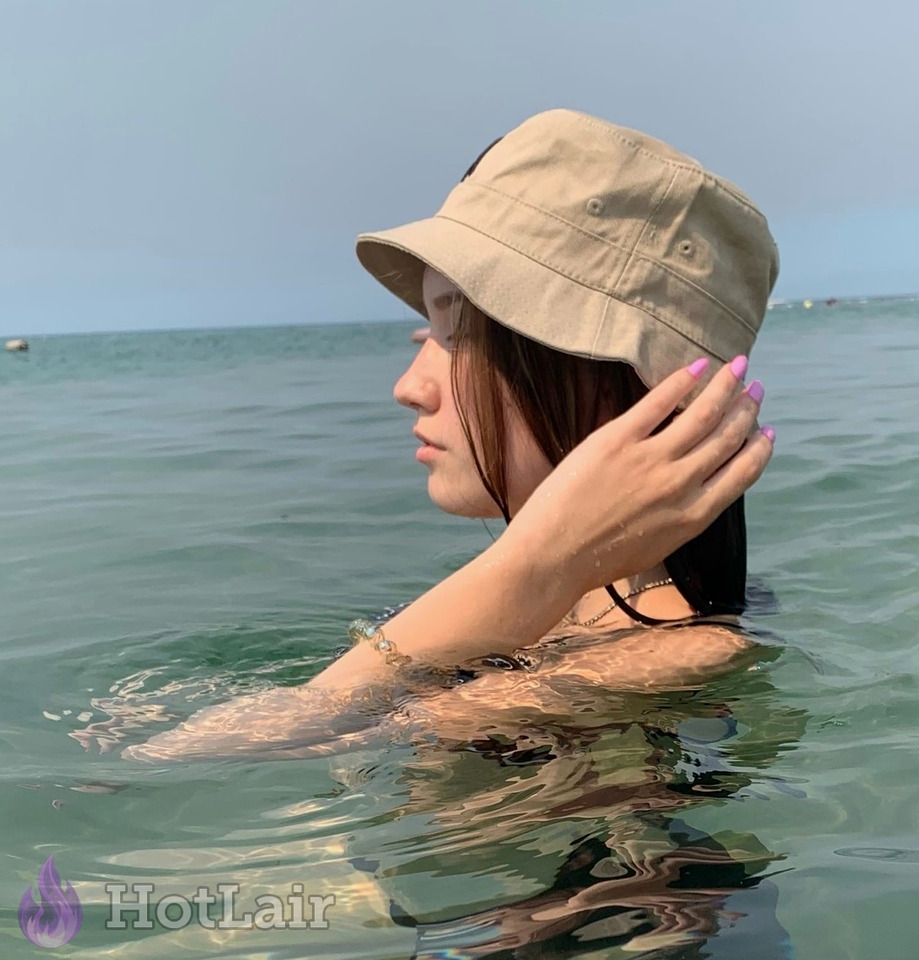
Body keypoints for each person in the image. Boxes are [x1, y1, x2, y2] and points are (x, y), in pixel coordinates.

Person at [121, 108, 778, 761]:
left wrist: (534, 566)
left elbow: (180, 761)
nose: (409, 386)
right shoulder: (563, 617)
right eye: (427, 334)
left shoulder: (666, 656)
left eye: (456, 333)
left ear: (608, 377)